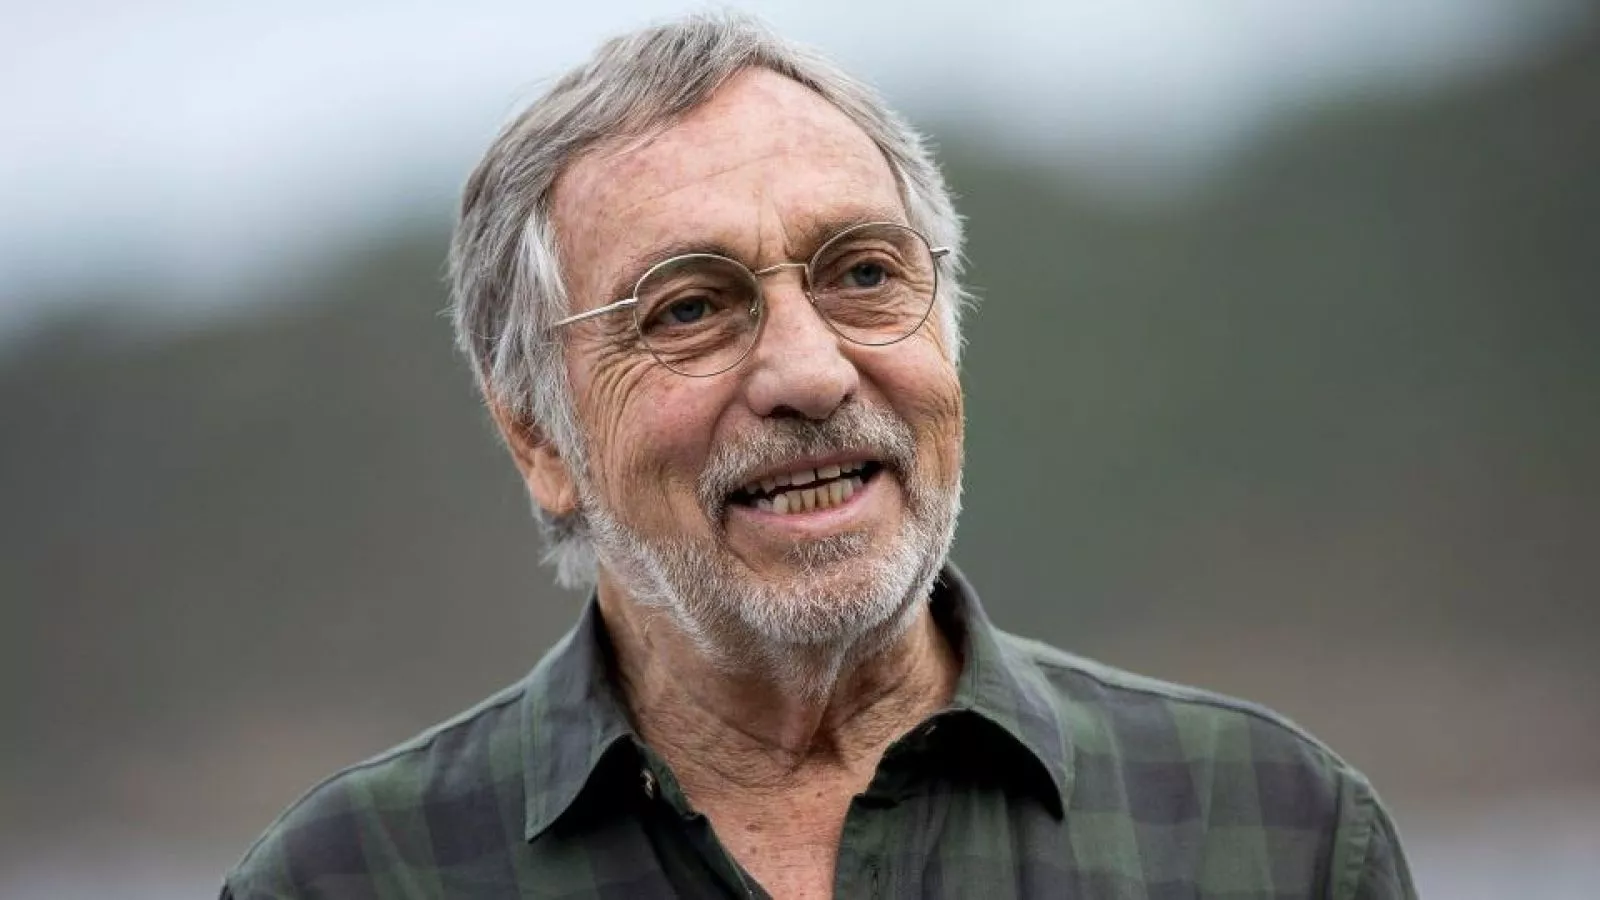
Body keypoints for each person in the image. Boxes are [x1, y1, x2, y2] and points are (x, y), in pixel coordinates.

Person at [222, 12, 1415, 900]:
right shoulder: (348, 881)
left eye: (863, 274)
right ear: (539, 436)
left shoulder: (1276, 836)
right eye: (690, 308)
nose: (810, 372)